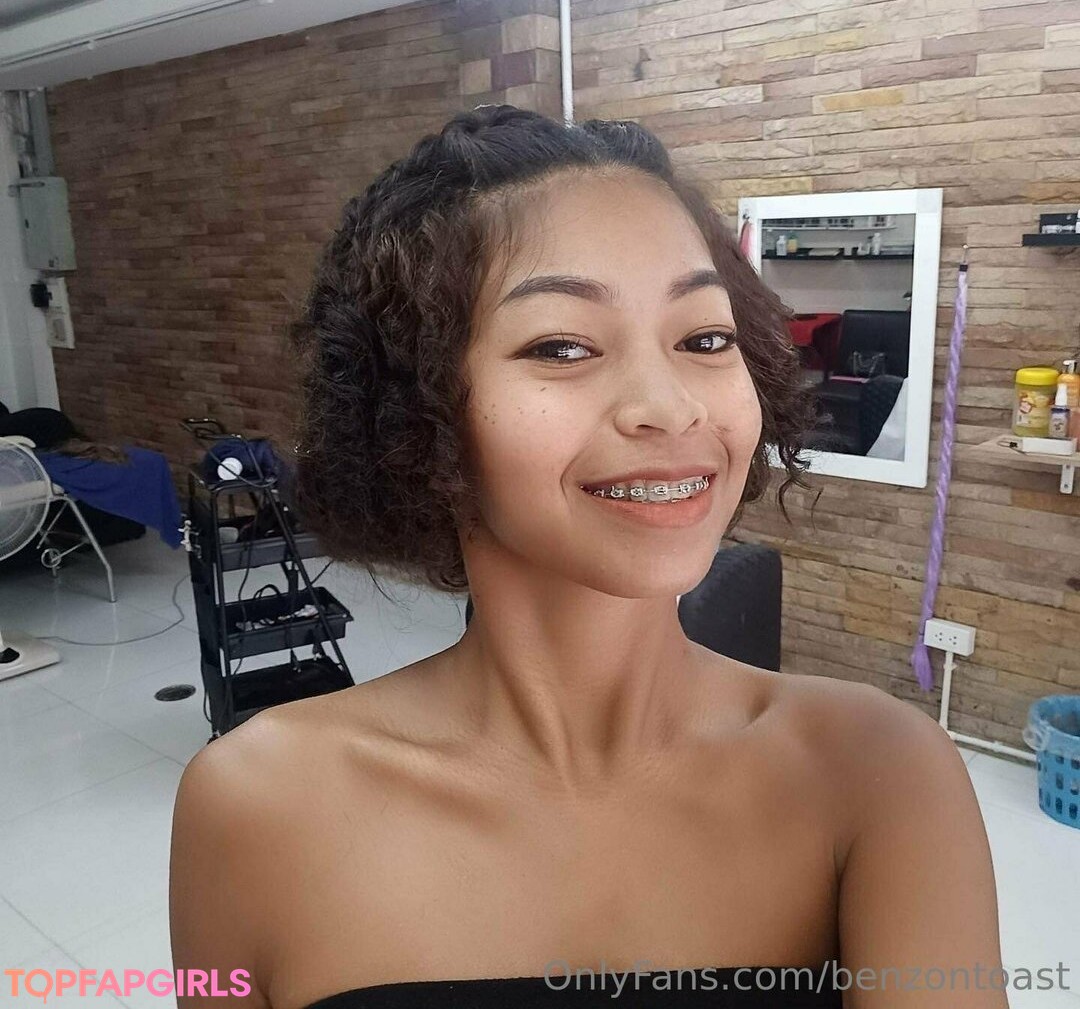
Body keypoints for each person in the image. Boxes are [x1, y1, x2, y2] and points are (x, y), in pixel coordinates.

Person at [170, 106, 1007, 1009]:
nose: (671, 407)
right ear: (414, 408)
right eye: (563, 346)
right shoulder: (255, 805)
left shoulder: (880, 774)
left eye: (704, 339)